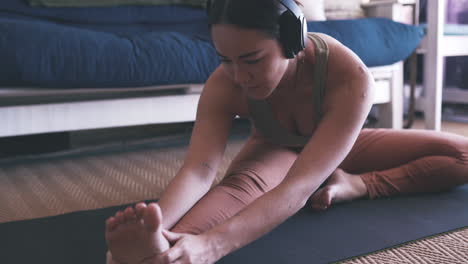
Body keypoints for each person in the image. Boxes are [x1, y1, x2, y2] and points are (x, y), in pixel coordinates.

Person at [104, 0, 468, 263]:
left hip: (338, 146)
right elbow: (199, 171)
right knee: (180, 243)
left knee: (463, 155)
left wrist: (214, 246)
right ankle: (148, 252)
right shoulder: (225, 83)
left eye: (252, 60)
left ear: (293, 40)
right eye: (225, 60)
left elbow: (298, 187)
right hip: (272, 152)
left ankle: (357, 185)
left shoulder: (350, 77)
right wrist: (156, 222)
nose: (239, 76)